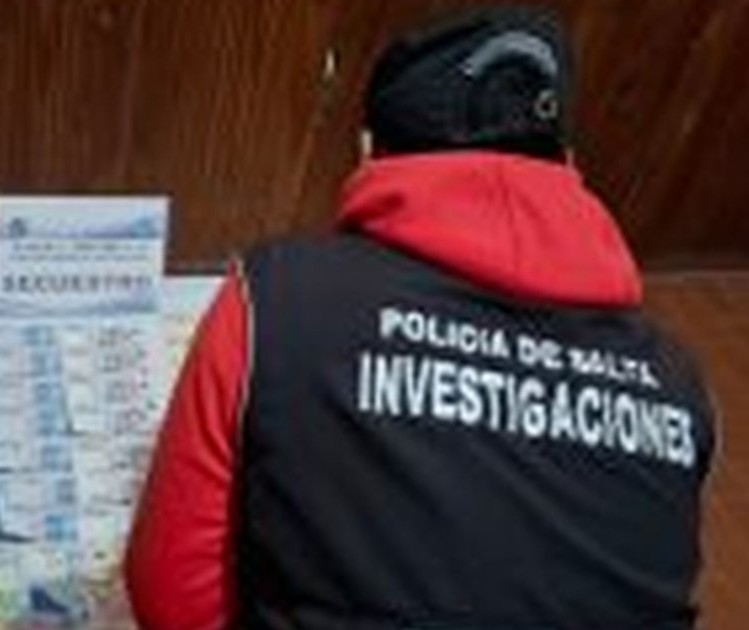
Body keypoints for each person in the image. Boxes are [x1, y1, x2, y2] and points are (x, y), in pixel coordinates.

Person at [123, 6, 716, 630]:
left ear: (366, 150)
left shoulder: (275, 298)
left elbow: (171, 596)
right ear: (567, 161)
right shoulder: (681, 384)